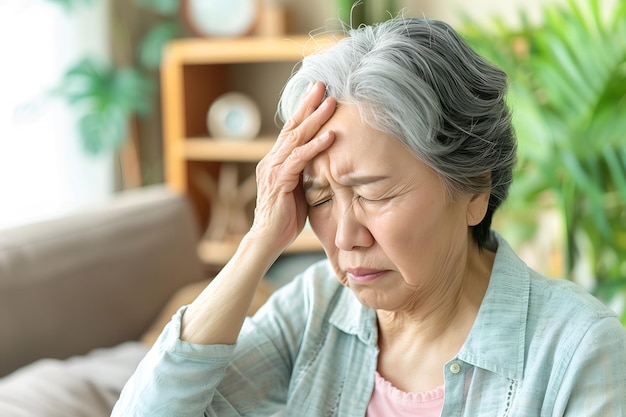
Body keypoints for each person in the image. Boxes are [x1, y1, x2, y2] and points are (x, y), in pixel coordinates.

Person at [112, 17, 626, 416]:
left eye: (374, 193)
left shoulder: (577, 350)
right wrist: (256, 246)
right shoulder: (316, 309)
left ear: (473, 186)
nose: (346, 237)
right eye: (319, 199)